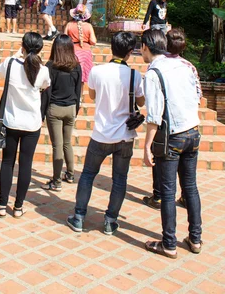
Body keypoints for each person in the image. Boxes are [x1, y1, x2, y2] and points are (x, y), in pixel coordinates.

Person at [67, 32, 144, 235]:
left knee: (88, 175)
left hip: (101, 134)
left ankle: (79, 217)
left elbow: (92, 96)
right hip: (125, 135)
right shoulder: (135, 75)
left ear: (111, 47)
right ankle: (110, 221)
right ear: (130, 52)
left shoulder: (97, 72)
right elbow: (142, 101)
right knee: (119, 179)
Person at [141, 29, 202, 258]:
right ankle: (195, 239)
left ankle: (169, 243)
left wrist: (147, 146)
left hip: (172, 136)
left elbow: (154, 116)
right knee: (191, 188)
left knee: (167, 193)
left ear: (147, 46)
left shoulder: (155, 72)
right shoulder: (186, 66)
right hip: (192, 132)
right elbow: (197, 96)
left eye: (142, 47)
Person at [0, 32, 51, 218]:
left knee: (7, 163)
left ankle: (1, 205)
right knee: (26, 164)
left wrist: (18, 54)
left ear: (22, 46)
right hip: (32, 124)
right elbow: (45, 86)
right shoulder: (43, 70)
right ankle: (18, 207)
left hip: (11, 122)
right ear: (40, 49)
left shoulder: (10, 64)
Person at [42, 35, 82, 191]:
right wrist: (76, 108)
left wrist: (42, 112)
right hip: (71, 107)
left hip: (55, 109)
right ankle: (70, 175)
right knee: (67, 143)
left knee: (57, 146)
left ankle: (56, 181)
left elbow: (47, 92)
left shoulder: (51, 66)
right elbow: (79, 89)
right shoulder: (76, 66)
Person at [65, 4, 96, 85]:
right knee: (81, 78)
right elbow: (93, 41)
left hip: (72, 52)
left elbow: (64, 40)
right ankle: (80, 96)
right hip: (86, 53)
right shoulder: (89, 26)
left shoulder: (69, 25)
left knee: (71, 76)